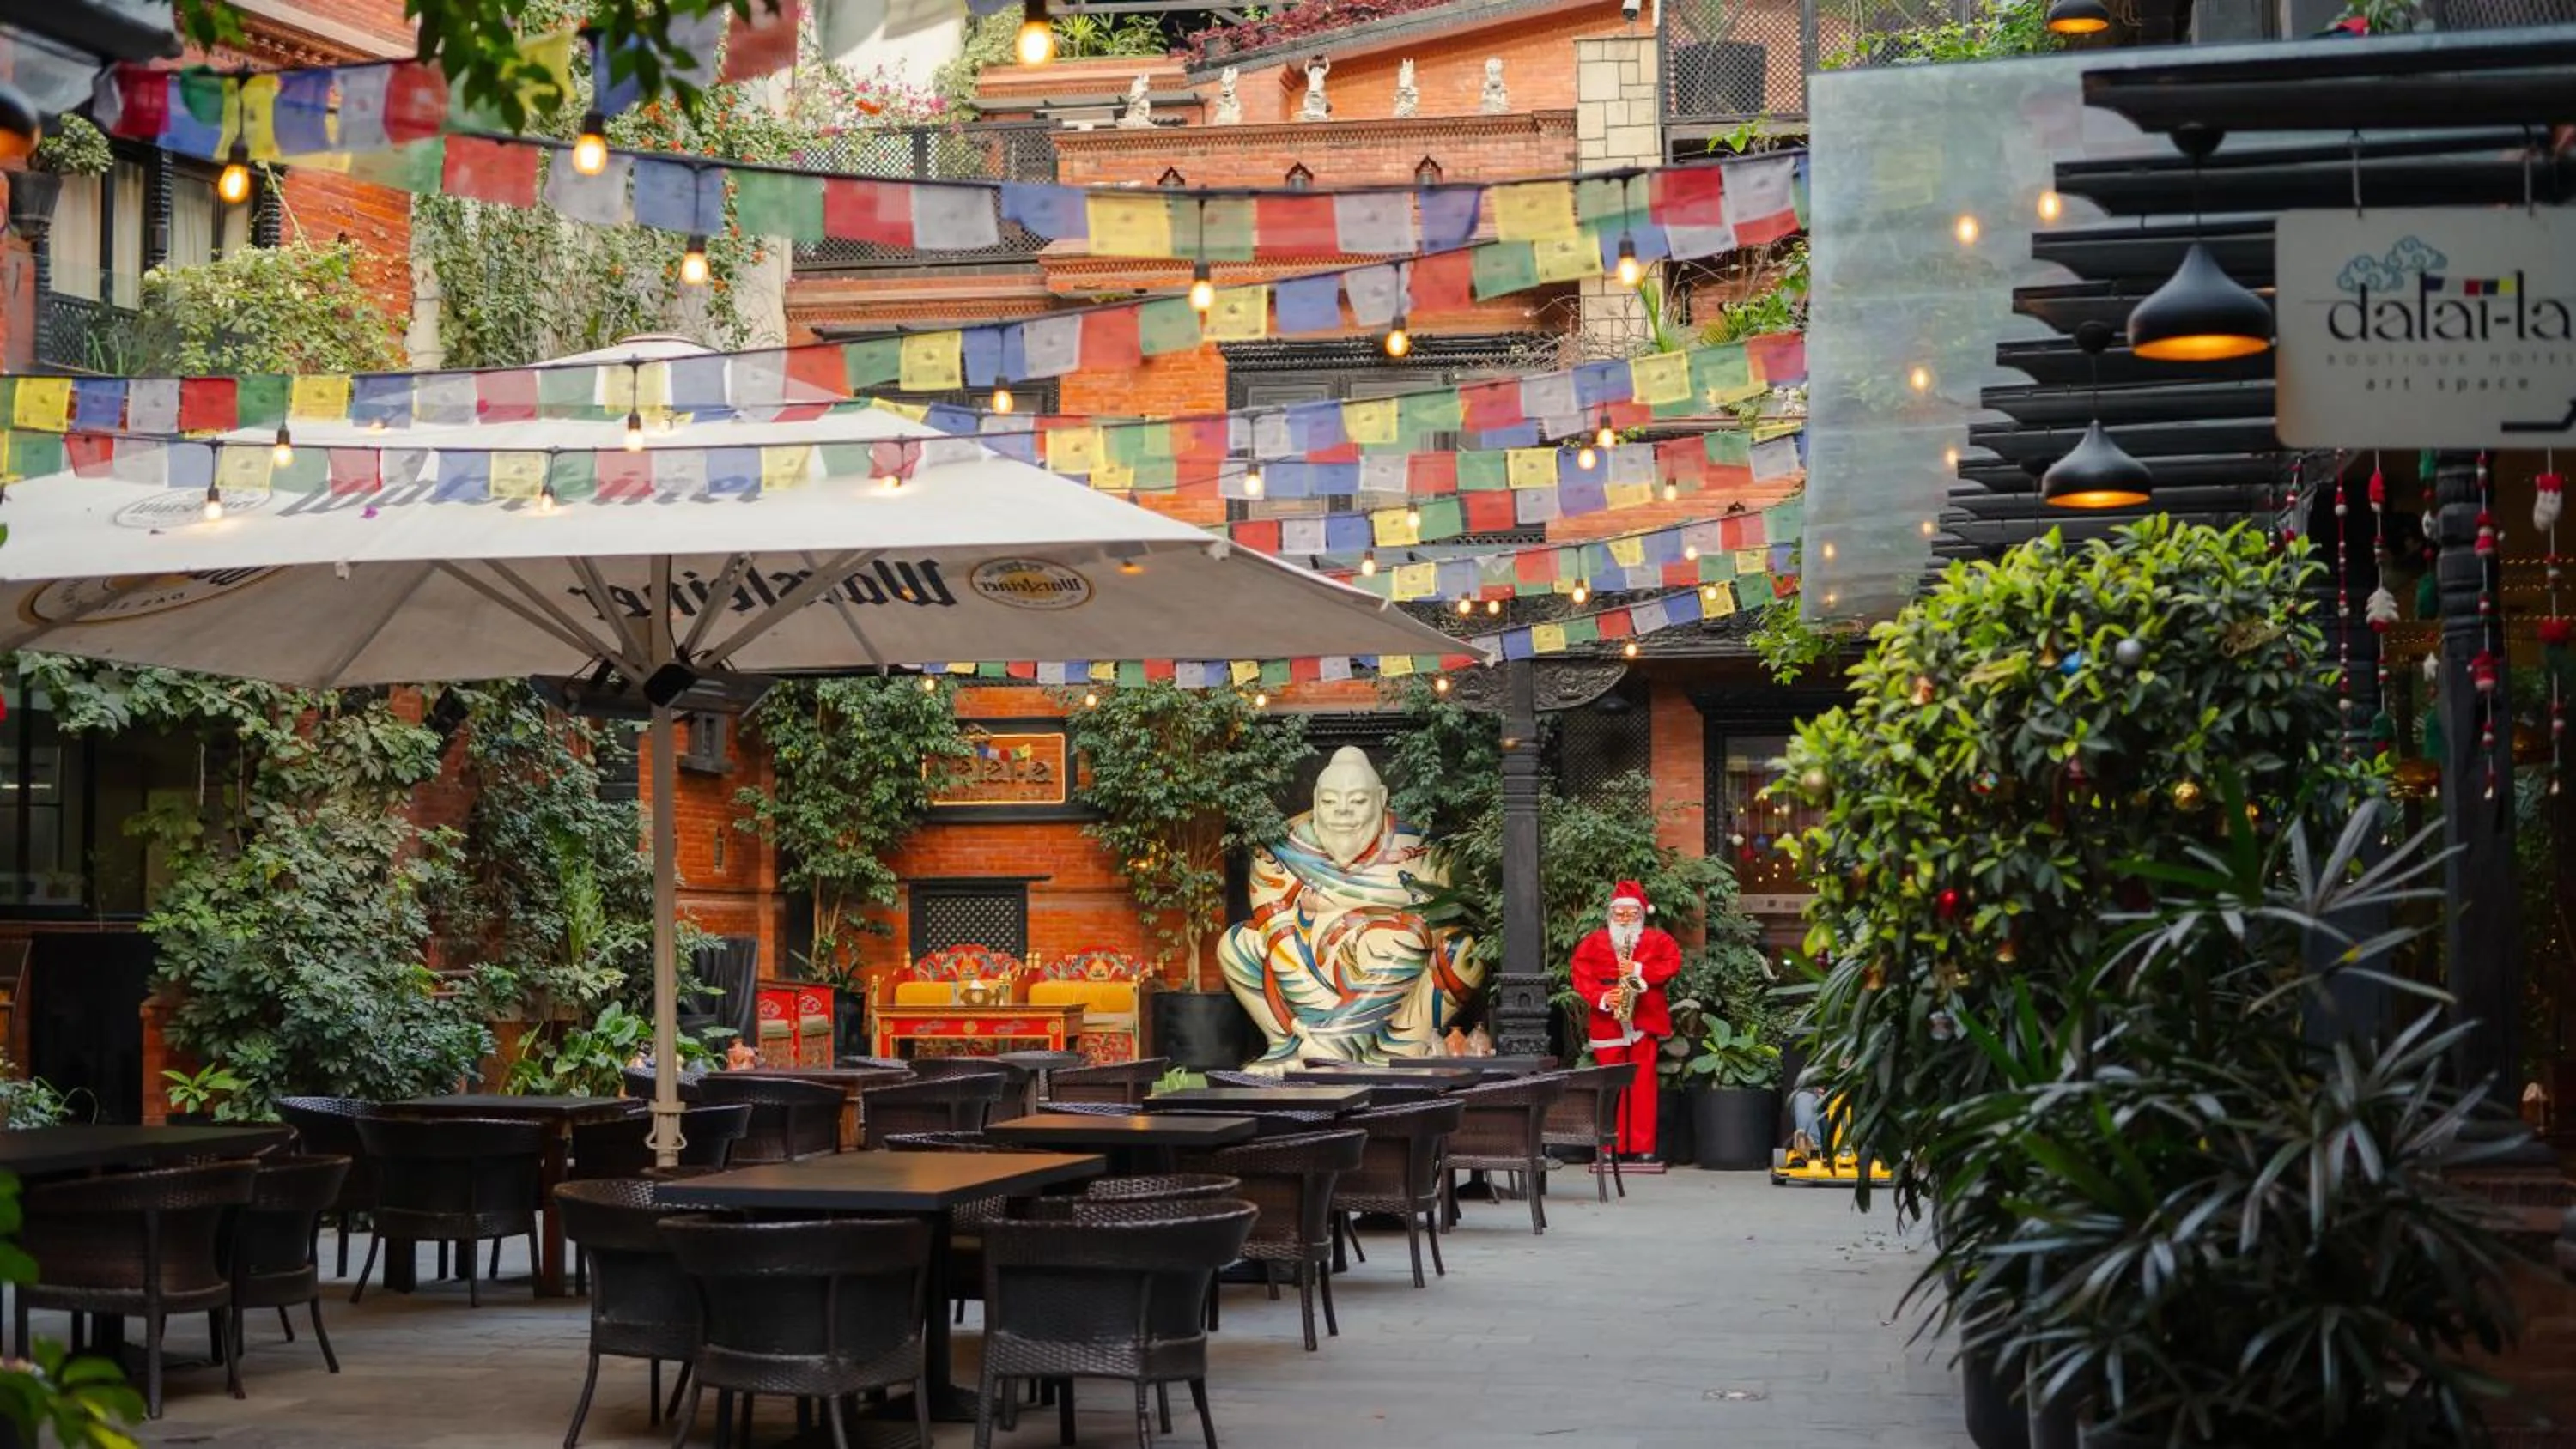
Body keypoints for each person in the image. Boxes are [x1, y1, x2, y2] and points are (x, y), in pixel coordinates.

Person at [1218, 746, 1479, 1064]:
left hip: (1392, 980)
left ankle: (1394, 1048)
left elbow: (1441, 918)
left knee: (1461, 949)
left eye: (1357, 801)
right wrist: (1316, 1009)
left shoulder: (1419, 849)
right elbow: (1276, 929)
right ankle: (1290, 1047)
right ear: (1315, 800)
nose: (1342, 812)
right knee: (1235, 944)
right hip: (1304, 976)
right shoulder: (1283, 847)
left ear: (1381, 798)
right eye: (1329, 802)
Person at [1569, 880, 1681, 1163]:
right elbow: (1581, 976)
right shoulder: (1593, 942)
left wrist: (1640, 969)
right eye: (1620, 915)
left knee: (1643, 1084)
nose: (1625, 920)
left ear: (1641, 915)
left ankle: (1643, 1146)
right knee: (1610, 1084)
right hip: (1608, 1020)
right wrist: (1605, 998)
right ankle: (1609, 1146)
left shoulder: (1658, 940)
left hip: (1644, 1020)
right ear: (1611, 915)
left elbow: (1672, 965)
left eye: (1631, 915)